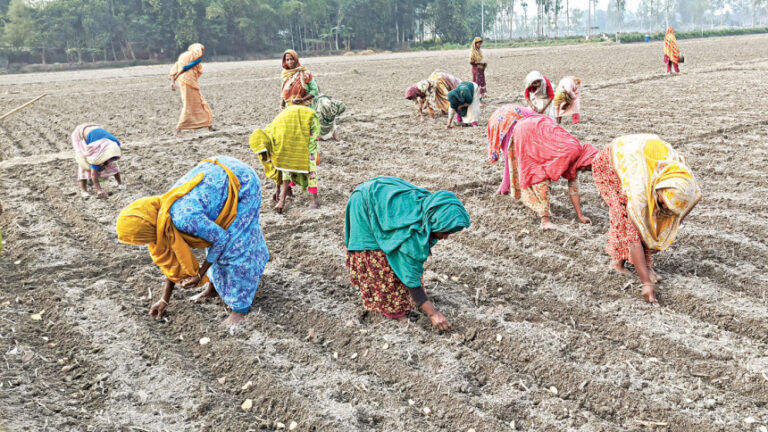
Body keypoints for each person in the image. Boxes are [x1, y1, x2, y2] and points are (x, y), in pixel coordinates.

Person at [115, 156, 270, 326]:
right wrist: (164, 300)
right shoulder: (159, 218)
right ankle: (214, 289)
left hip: (242, 182)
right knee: (208, 239)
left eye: (141, 240)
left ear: (146, 231)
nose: (145, 243)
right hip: (217, 179)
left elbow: (221, 239)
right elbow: (172, 259)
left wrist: (201, 273)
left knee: (233, 248)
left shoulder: (183, 218)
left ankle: (240, 309)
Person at [344, 177, 470, 331]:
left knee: (399, 263)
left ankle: (404, 301)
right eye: (446, 232)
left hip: (381, 197)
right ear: (436, 222)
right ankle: (393, 311)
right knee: (378, 260)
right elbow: (410, 274)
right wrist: (433, 314)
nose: (445, 237)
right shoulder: (411, 232)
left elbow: (412, 267)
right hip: (364, 204)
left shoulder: (430, 210)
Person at [592, 134, 702, 303]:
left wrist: (665, 232)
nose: (664, 208)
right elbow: (634, 238)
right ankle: (618, 264)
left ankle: (643, 265)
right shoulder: (639, 191)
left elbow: (688, 205)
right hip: (611, 162)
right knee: (627, 219)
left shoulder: (683, 182)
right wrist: (646, 283)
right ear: (659, 189)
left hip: (642, 154)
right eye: (663, 202)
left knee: (650, 220)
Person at [511, 115, 598, 230]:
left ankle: (538, 208)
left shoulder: (577, 158)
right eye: (587, 168)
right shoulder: (573, 151)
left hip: (532, 127)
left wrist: (580, 216)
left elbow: (574, 188)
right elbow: (548, 170)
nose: (583, 170)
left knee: (540, 174)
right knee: (540, 176)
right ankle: (545, 221)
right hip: (528, 130)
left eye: (587, 170)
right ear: (586, 159)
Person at [249, 105, 320, 213]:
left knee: (309, 162)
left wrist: (282, 200)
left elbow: (285, 168)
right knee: (284, 162)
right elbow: (278, 165)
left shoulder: (279, 141)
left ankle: (315, 199)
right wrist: (277, 189)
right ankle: (288, 190)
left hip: (308, 121)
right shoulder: (268, 135)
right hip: (291, 126)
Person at [486, 105, 538, 196]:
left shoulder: (530, 113)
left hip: (497, 117)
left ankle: (506, 185)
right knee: (511, 153)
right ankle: (506, 187)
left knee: (509, 152)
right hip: (510, 119)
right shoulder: (538, 119)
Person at [169, 43, 213, 134]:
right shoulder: (193, 58)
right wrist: (176, 78)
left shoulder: (183, 56)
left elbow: (176, 69)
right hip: (189, 83)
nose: (202, 53)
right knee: (192, 105)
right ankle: (179, 128)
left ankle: (209, 125)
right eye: (202, 50)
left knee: (199, 103)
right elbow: (184, 68)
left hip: (184, 83)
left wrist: (173, 82)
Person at [72, 123, 124, 198]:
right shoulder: (96, 156)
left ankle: (120, 183)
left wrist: (105, 163)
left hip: (96, 130)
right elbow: (94, 174)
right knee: (83, 163)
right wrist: (99, 190)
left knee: (112, 165)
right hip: (80, 135)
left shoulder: (114, 145)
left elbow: (112, 157)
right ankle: (84, 190)